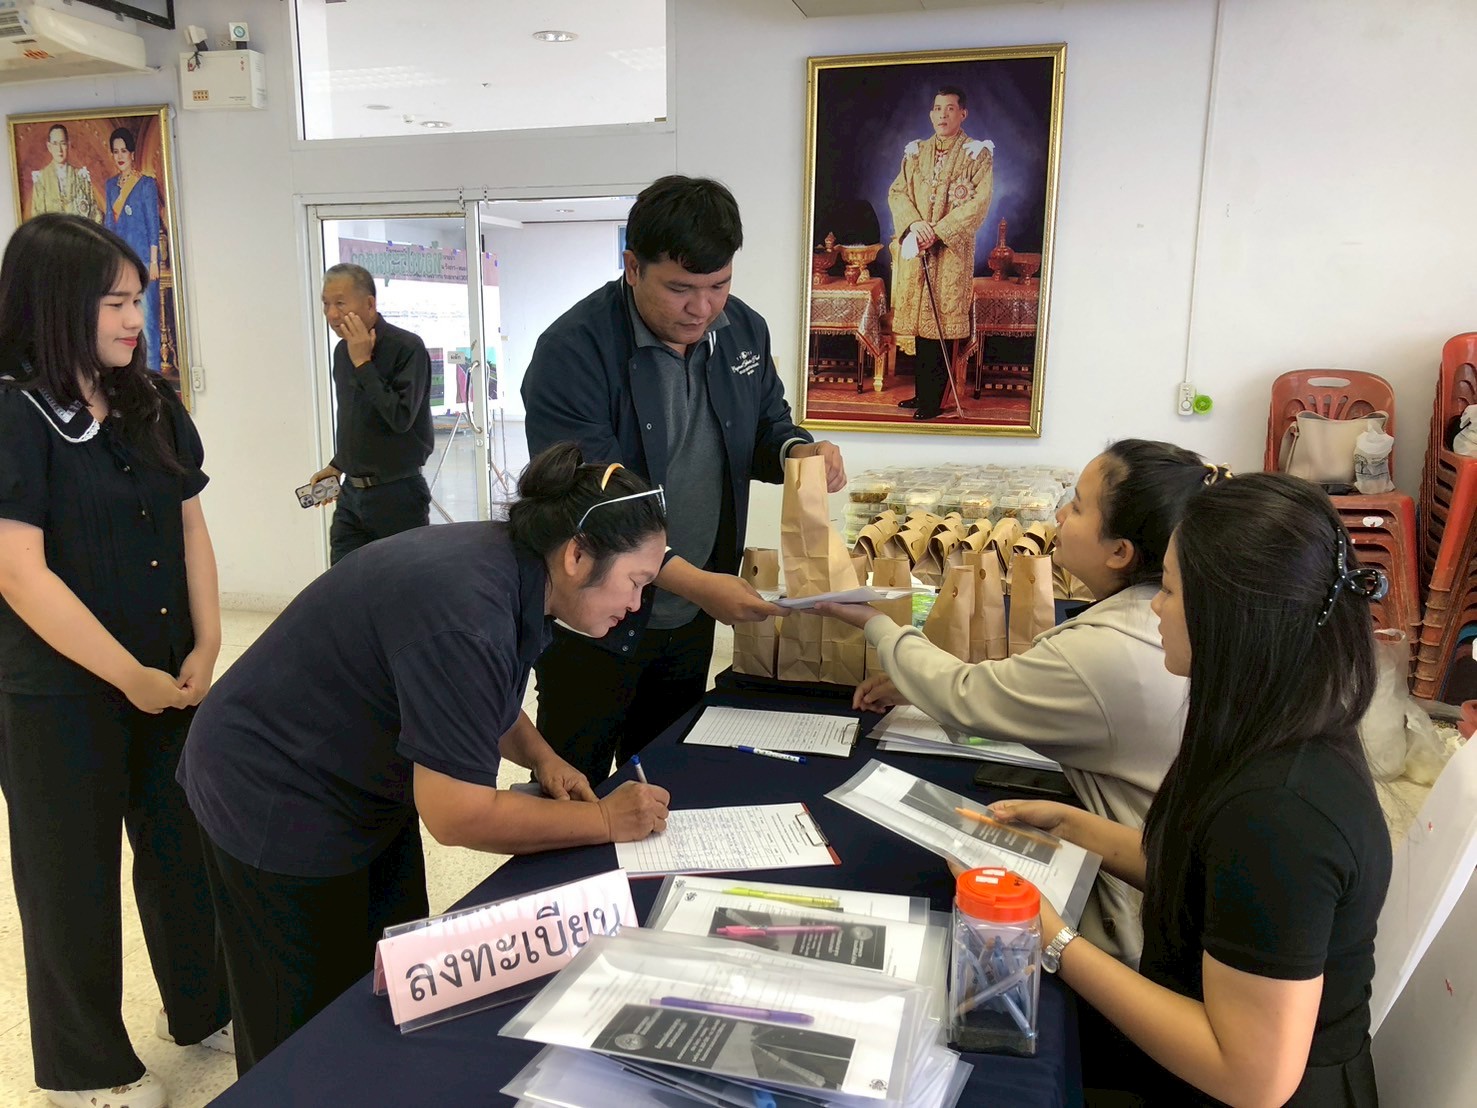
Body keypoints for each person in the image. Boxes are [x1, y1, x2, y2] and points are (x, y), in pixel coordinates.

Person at [178, 442, 674, 1074]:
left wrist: (542, 756)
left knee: (386, 985)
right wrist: (604, 820)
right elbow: (456, 815)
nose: (636, 605)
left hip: (359, 777)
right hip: (271, 784)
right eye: (636, 582)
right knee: (297, 1031)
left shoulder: (514, 564)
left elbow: (482, 694)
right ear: (577, 555)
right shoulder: (469, 606)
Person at [995, 473, 1391, 1106]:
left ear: (1230, 617)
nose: (1154, 607)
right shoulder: (1271, 725)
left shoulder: (1280, 811)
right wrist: (1074, 829)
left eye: (1170, 590)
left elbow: (1251, 1077)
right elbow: (1216, 880)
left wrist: (1054, 941)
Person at [818, 440, 1218, 966]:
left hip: (1139, 911)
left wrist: (875, 623)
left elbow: (966, 697)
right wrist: (918, 679)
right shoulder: (1147, 621)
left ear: (1120, 551)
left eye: (1078, 506)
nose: (1059, 515)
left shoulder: (1110, 648)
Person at [0, 215, 230, 1108]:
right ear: (57, 305)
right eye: (116, 303)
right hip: (57, 694)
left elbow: (189, 522)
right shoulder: (15, 414)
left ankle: (203, 1007)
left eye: (140, 299)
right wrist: (125, 675)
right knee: (70, 880)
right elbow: (19, 572)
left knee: (184, 851)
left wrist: (207, 641)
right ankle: (84, 1071)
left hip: (169, 676)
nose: (137, 319)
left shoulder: (147, 401)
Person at [522, 175, 846, 785]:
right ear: (632, 267)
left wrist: (799, 450)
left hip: (689, 618)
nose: (702, 308)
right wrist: (700, 584)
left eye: (719, 285)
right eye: (680, 289)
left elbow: (765, 426)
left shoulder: (743, 330)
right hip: (594, 618)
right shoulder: (573, 350)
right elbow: (594, 501)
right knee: (573, 788)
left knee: (664, 782)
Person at [306, 263, 434, 564]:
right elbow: (356, 419)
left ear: (369, 304)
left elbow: (400, 418)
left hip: (398, 494)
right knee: (342, 580)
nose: (331, 314)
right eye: (326, 304)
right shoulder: (342, 352)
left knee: (400, 582)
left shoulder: (407, 348)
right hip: (352, 494)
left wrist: (364, 364)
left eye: (340, 303)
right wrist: (338, 464)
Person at [886, 86, 994, 421]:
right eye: (937, 108)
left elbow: (978, 204)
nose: (942, 115)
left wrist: (938, 231)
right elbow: (897, 192)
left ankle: (935, 400)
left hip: (950, 253)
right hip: (919, 247)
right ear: (931, 113)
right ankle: (923, 393)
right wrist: (915, 224)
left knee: (941, 325)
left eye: (949, 108)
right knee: (922, 326)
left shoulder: (976, 154)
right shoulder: (916, 152)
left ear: (963, 113)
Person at [103, 127, 164, 373]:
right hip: (120, 264)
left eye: (124, 151)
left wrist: (153, 261)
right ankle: (135, 378)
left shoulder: (145, 185)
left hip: (144, 261)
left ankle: (154, 376)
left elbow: (152, 224)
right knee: (123, 325)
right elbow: (109, 225)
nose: (120, 156)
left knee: (148, 321)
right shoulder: (110, 186)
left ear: (132, 154)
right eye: (115, 151)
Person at [28, 123, 102, 223]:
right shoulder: (41, 179)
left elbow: (94, 214)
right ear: (49, 146)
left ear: (68, 144)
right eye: (55, 144)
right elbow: (37, 218)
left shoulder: (81, 177)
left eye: (62, 143)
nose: (59, 149)